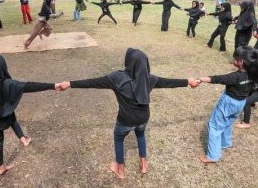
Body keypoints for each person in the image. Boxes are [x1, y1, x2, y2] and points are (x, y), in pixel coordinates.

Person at [56, 48, 199, 178]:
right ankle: (143, 164)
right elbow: (169, 82)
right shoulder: (150, 79)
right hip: (143, 118)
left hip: (125, 120)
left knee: (119, 138)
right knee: (141, 134)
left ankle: (120, 170)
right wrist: (188, 81)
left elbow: (93, 82)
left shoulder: (115, 78)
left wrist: (69, 83)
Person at [198, 46, 258, 163]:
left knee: (214, 126)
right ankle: (225, 143)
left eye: (234, 58)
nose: (233, 60)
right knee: (228, 123)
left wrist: (202, 79)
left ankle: (212, 156)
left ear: (240, 62)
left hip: (228, 103)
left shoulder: (235, 76)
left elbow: (219, 78)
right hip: (240, 104)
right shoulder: (253, 75)